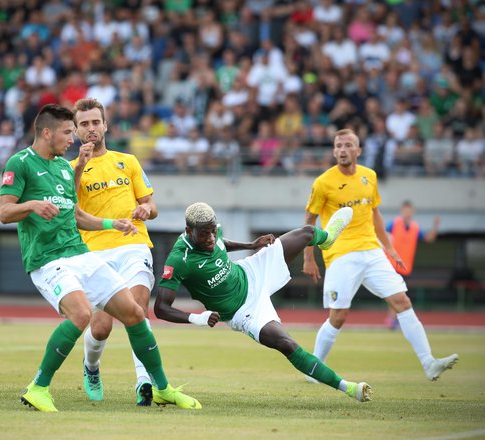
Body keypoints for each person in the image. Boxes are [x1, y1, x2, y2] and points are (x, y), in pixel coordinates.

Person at [0, 104, 200, 412]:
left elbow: (75, 215)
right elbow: (4, 211)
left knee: (134, 313)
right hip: (46, 259)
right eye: (68, 131)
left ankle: (161, 388)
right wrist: (32, 205)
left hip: (79, 253)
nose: (72, 138)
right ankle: (38, 387)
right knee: (82, 316)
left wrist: (111, 223)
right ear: (47, 132)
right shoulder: (20, 162)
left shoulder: (65, 168)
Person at [153, 202, 372, 402]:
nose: (211, 238)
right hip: (245, 312)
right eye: (204, 234)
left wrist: (251, 244)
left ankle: (327, 238)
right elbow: (161, 308)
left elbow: (220, 243)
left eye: (213, 231)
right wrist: (198, 318)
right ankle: (349, 388)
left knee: (306, 232)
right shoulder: (179, 260)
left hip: (253, 271)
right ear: (188, 231)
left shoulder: (211, 231)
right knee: (287, 344)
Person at [302, 128, 458, 382]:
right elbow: (309, 220)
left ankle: (429, 362)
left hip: (372, 251)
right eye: (338, 145)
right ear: (333, 151)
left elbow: (375, 213)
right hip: (341, 255)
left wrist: (389, 247)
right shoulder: (323, 183)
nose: (342, 149)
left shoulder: (369, 176)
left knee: (402, 302)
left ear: (358, 150)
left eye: (348, 145)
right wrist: (309, 258)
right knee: (338, 316)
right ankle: (314, 369)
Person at [69, 98, 158, 406]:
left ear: (105, 125)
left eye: (96, 122)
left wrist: (145, 210)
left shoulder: (128, 161)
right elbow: (72, 210)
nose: (91, 129)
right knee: (102, 325)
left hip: (134, 245)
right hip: (95, 252)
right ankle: (91, 368)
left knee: (138, 307)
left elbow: (151, 205)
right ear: (76, 130)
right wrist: (80, 166)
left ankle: (144, 382)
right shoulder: (69, 169)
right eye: (84, 124)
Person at [384, 200, 440, 329]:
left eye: (409, 210)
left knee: (400, 294)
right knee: (395, 293)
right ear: (401, 211)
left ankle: (395, 319)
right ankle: (392, 319)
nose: (407, 213)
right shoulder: (393, 224)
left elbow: (429, 238)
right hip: (392, 264)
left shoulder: (415, 227)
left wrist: (435, 226)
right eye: (405, 210)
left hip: (405, 267)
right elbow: (382, 234)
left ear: (413, 212)